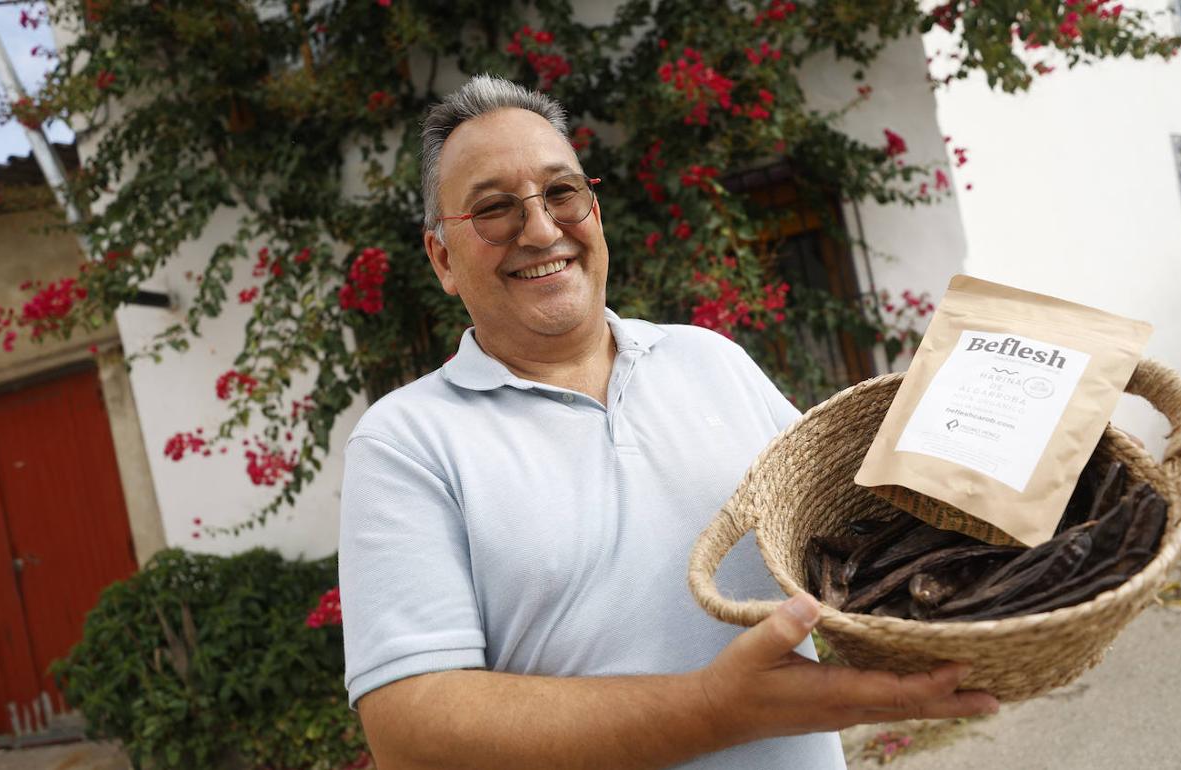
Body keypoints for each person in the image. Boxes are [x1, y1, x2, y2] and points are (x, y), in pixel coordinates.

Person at [338, 74, 998, 770]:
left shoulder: (708, 359)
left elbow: (861, 522)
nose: (540, 228)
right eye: (494, 209)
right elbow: (410, 732)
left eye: (562, 193)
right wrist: (714, 710)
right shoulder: (406, 443)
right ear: (442, 257)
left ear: (593, 210)